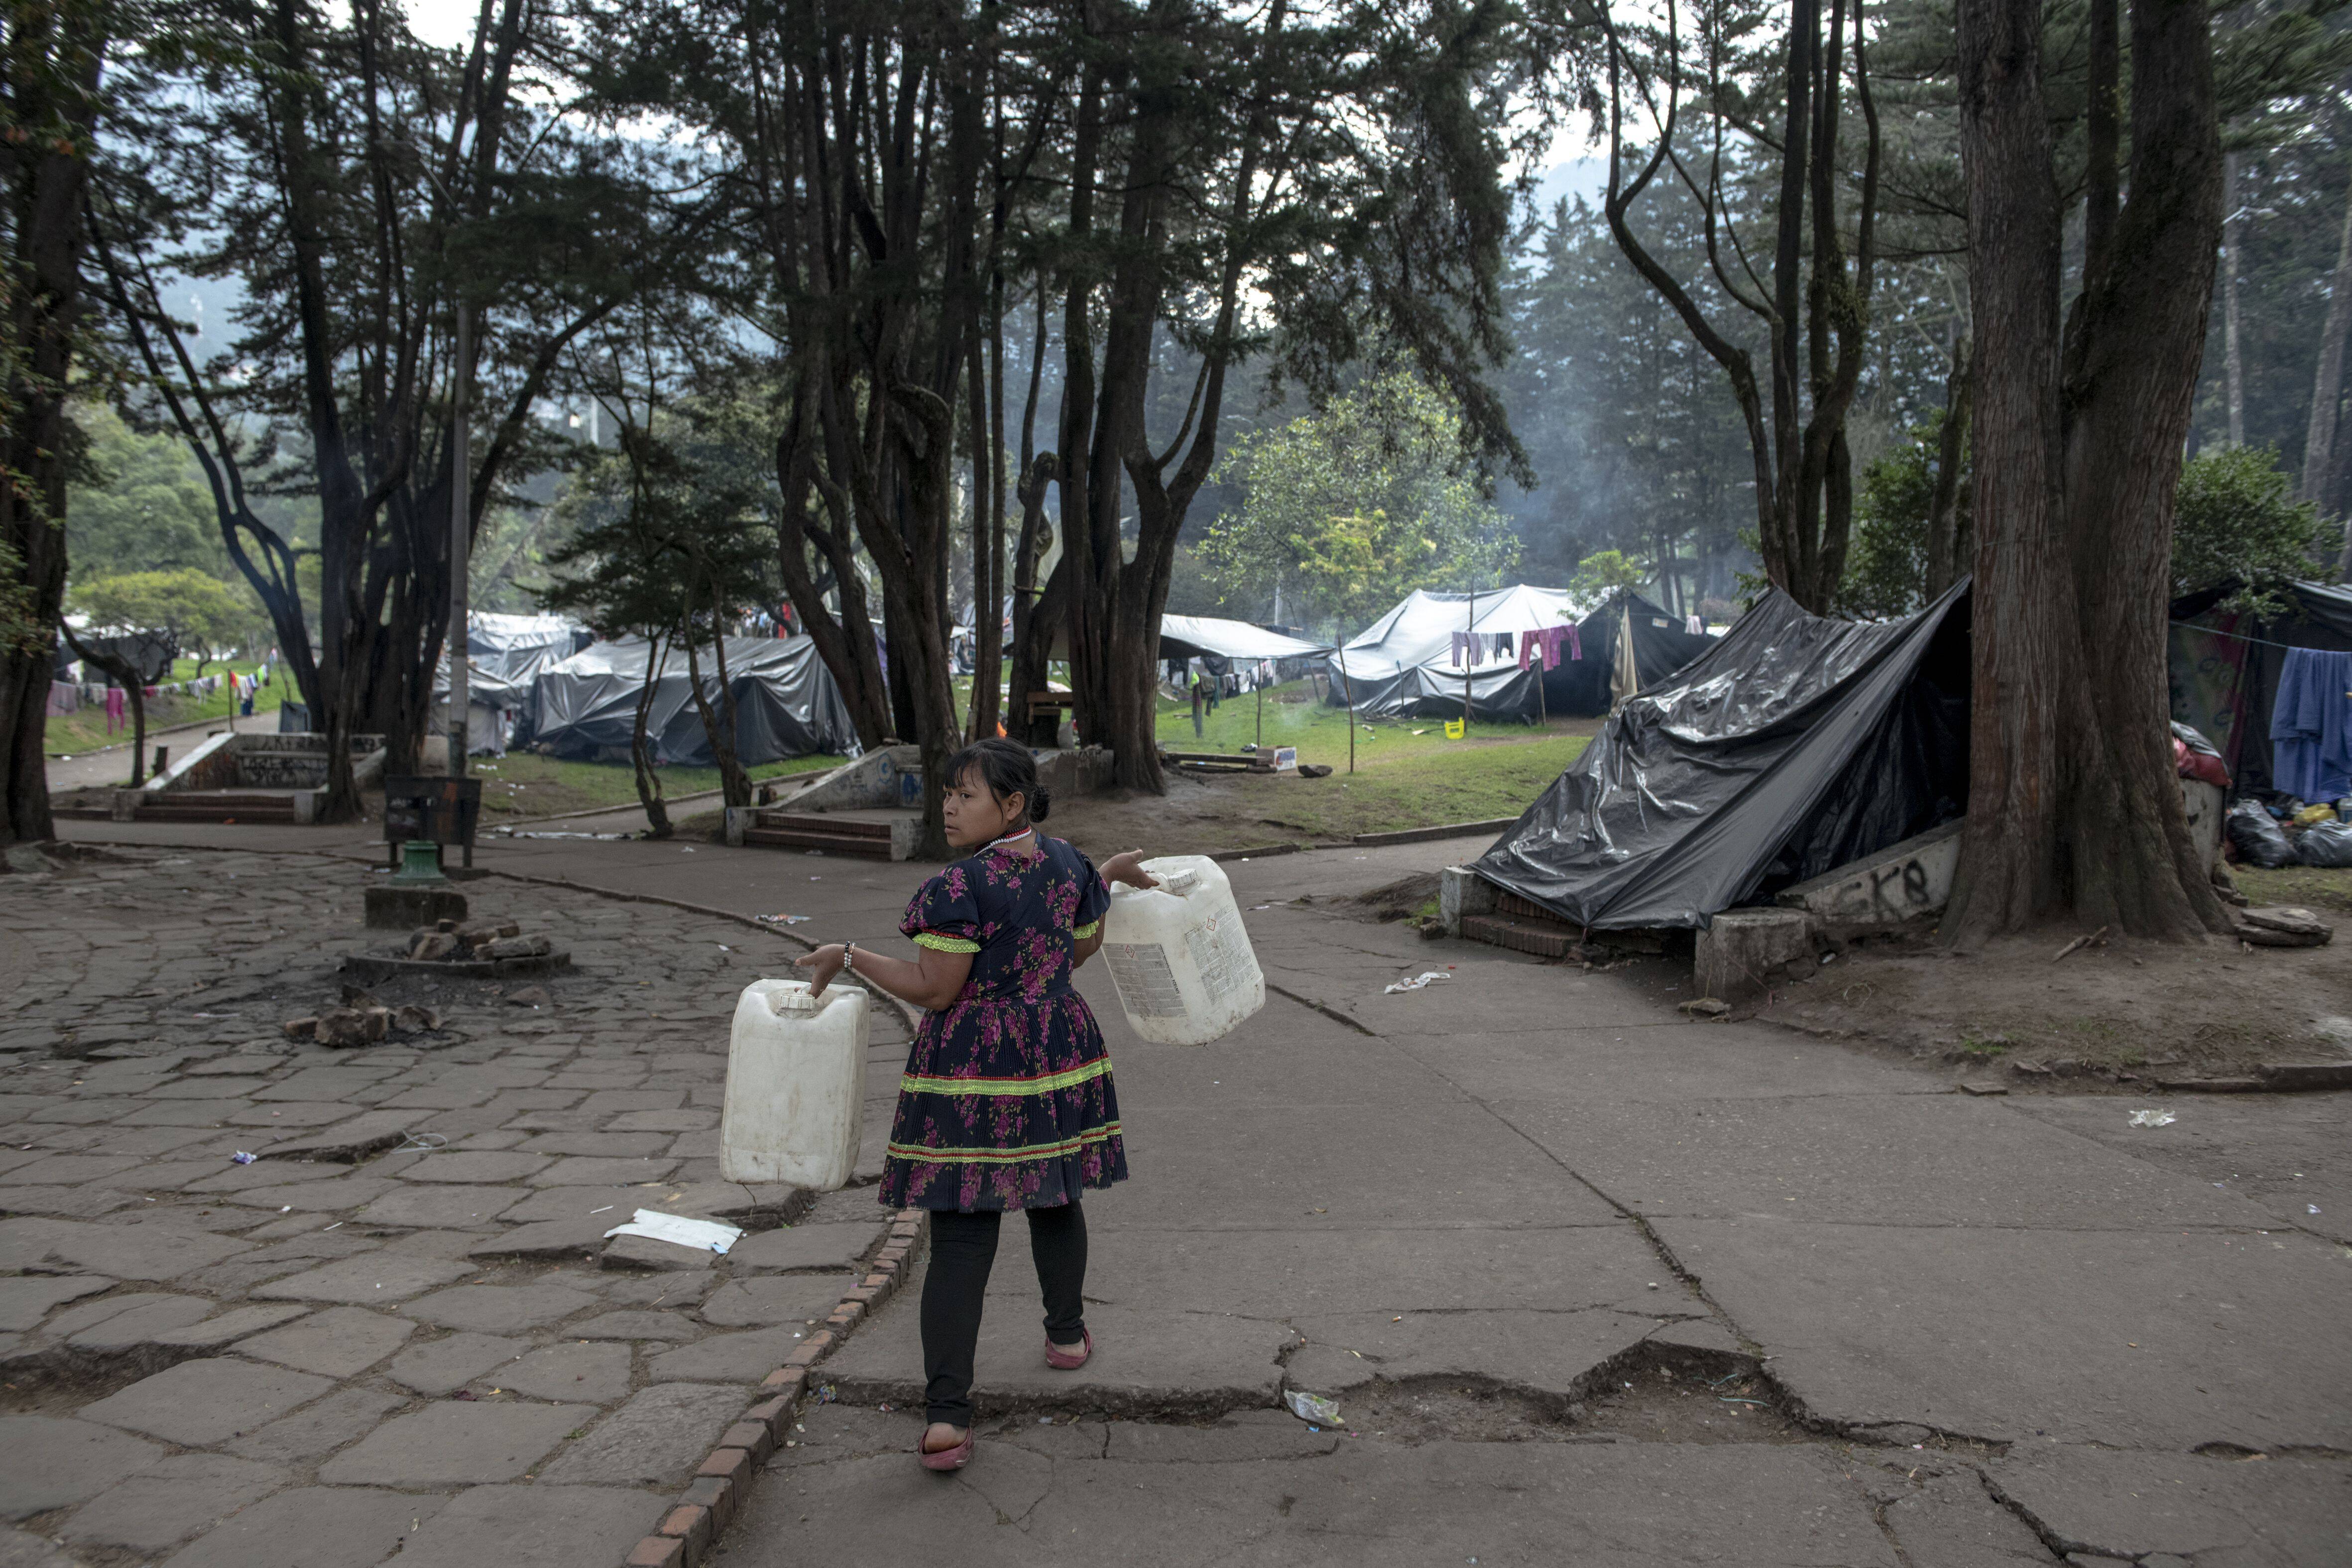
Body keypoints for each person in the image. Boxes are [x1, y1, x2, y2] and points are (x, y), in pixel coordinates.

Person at [795, 738, 1156, 1473]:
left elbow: (935, 988)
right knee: (1056, 1195)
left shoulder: (960, 886)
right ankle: (1066, 1335)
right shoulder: (1066, 863)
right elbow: (1078, 948)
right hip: (1055, 1049)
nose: (950, 807)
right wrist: (1105, 877)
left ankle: (947, 1419)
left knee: (962, 1236)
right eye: (948, 793)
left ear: (1012, 803)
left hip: (974, 1066)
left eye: (966, 795)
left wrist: (850, 955)